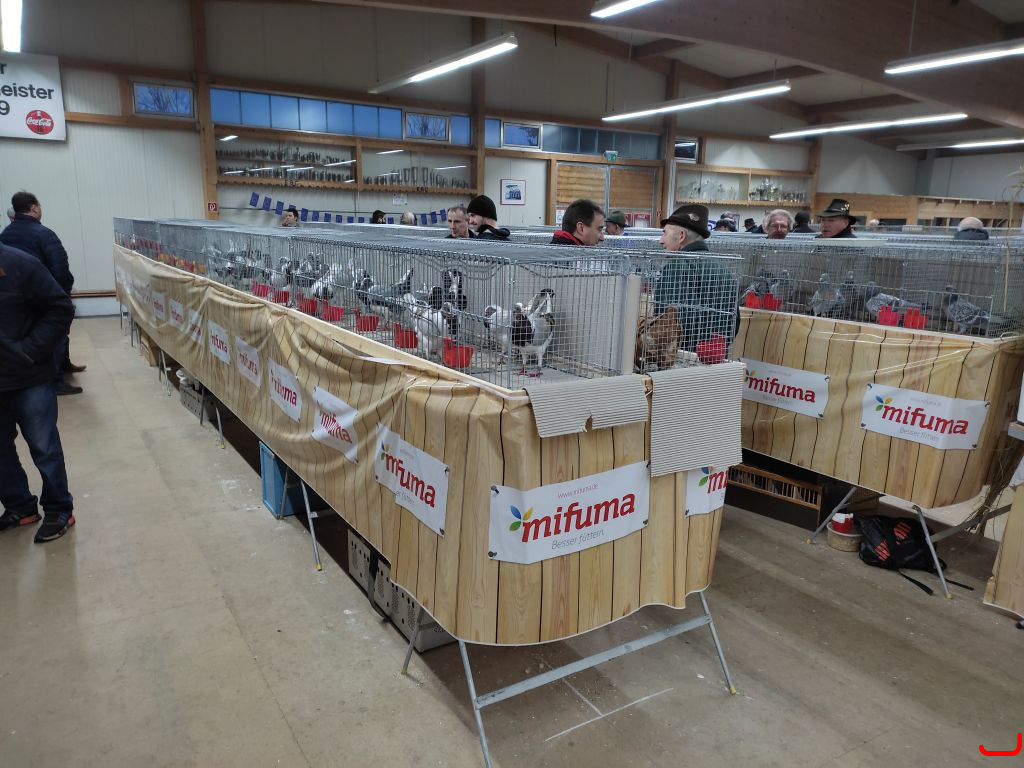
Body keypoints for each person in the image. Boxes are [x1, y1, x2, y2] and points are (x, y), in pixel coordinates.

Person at [0, 241, 77, 543]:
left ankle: (59, 509)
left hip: (28, 377)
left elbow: (60, 308)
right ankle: (20, 507)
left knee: (44, 447)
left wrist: (29, 351)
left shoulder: (21, 265)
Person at [0, 191, 83, 395]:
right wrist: (63, 292)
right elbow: (60, 268)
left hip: (15, 301)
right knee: (56, 336)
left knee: (28, 335)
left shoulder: (5, 234)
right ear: (34, 208)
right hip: (45, 296)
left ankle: (64, 365)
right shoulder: (44, 234)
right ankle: (56, 381)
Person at [654, 204, 739, 351]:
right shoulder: (724, 271)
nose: (661, 240)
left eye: (665, 233)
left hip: (681, 358)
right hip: (717, 358)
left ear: (681, 236)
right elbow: (734, 322)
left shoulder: (676, 267)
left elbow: (669, 324)